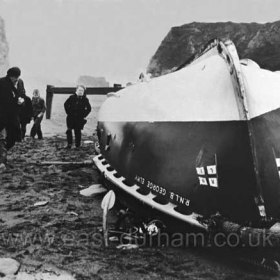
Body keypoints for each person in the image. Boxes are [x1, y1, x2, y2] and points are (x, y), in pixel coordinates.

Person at [0, 67, 24, 170]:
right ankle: (2, 162)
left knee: (13, 138)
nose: (16, 79)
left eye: (17, 77)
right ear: (10, 76)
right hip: (2, 116)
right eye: (14, 77)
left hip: (13, 116)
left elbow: (22, 94)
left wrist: (21, 101)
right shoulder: (2, 83)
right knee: (2, 139)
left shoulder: (20, 82)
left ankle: (2, 159)